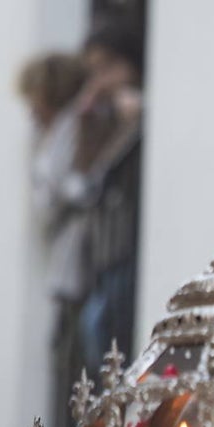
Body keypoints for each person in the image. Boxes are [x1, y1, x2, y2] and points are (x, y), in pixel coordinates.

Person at [18, 52, 91, 427]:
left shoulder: (73, 128)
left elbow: (66, 190)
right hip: (68, 263)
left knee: (82, 344)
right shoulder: (56, 134)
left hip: (79, 256)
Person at [74, 19, 145, 372]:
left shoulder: (139, 111)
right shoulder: (101, 122)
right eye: (93, 72)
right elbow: (80, 179)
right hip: (102, 262)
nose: (100, 81)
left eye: (109, 68)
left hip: (125, 254)